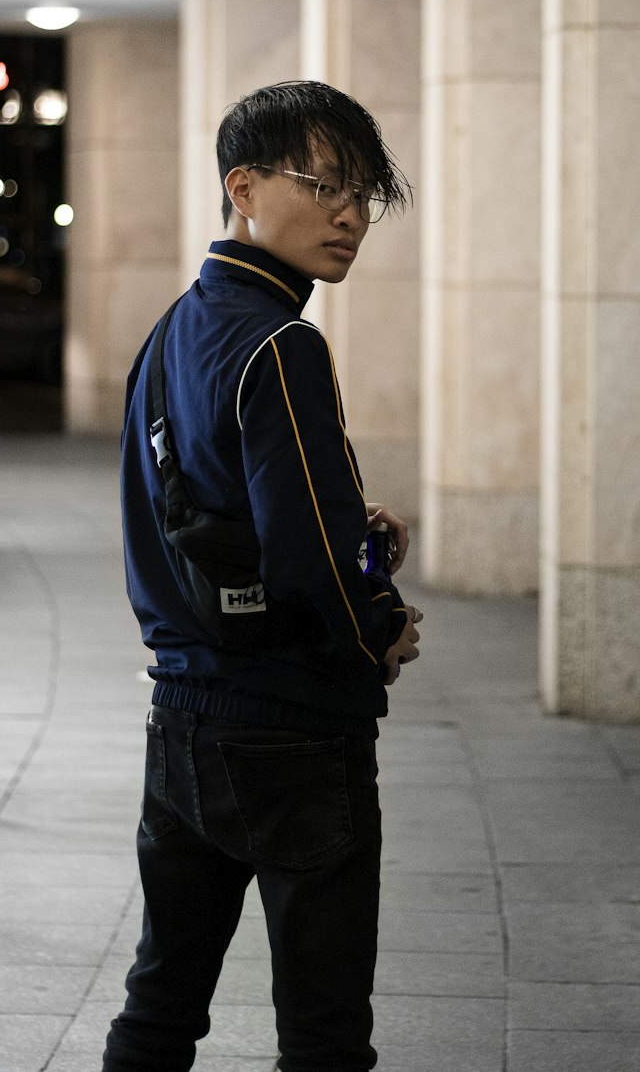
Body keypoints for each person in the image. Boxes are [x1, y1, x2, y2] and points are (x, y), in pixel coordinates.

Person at [102, 81, 422, 1072]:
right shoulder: (284, 343)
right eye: (325, 183)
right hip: (288, 727)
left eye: (364, 194)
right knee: (325, 1031)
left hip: (183, 715)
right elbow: (308, 562)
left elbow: (198, 514)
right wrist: (380, 616)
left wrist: (348, 536)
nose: (348, 216)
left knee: (160, 1004)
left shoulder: (172, 334)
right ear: (242, 187)